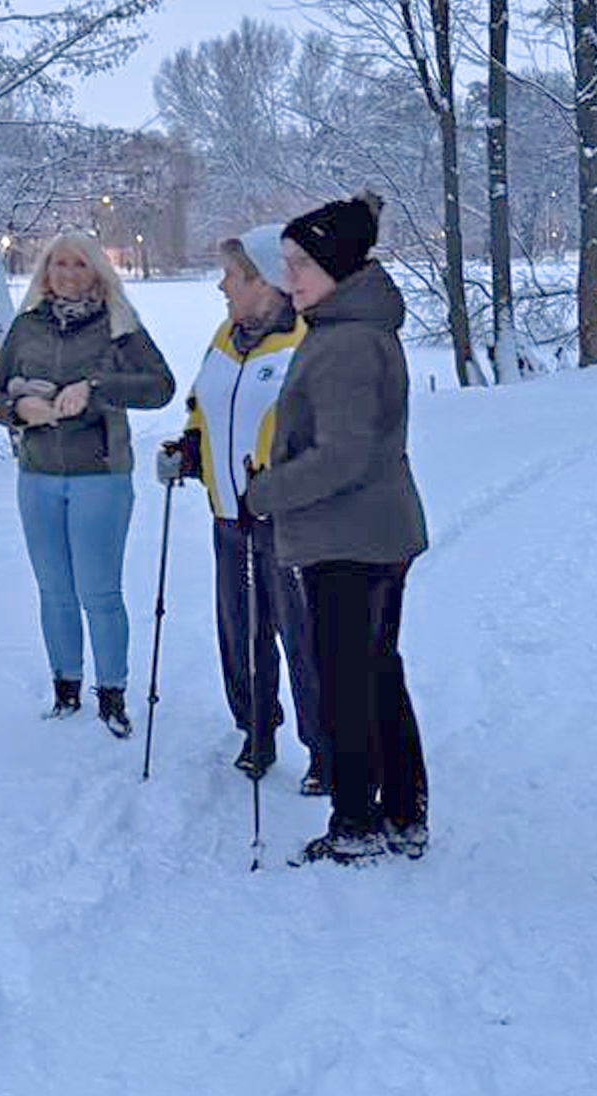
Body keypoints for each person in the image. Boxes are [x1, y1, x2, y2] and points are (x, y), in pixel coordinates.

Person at [246, 191, 430, 864]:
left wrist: (266, 491)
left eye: (300, 263)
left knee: (349, 680)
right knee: (375, 671)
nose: (288, 277)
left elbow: (342, 456)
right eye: (286, 263)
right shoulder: (348, 329)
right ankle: (402, 813)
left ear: (336, 267)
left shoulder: (347, 342)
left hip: (350, 537)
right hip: (372, 531)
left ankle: (357, 822)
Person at [156, 227, 329, 794]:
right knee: (239, 632)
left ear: (265, 281)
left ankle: (325, 747)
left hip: (288, 520)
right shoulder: (225, 339)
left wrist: (283, 481)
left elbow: (322, 435)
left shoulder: (306, 342)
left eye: (231, 274)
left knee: (303, 636)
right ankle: (257, 729)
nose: (221, 285)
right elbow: (204, 409)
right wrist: (188, 450)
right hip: (229, 517)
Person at [0, 230, 175, 738]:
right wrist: (18, 407)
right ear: (45, 271)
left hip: (100, 475)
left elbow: (161, 387)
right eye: (59, 264)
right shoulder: (26, 327)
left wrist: (95, 388)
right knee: (54, 591)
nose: (68, 274)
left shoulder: (119, 326)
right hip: (38, 475)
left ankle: (112, 695)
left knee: (99, 591)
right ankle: (65, 689)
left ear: (97, 271)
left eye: (79, 264)